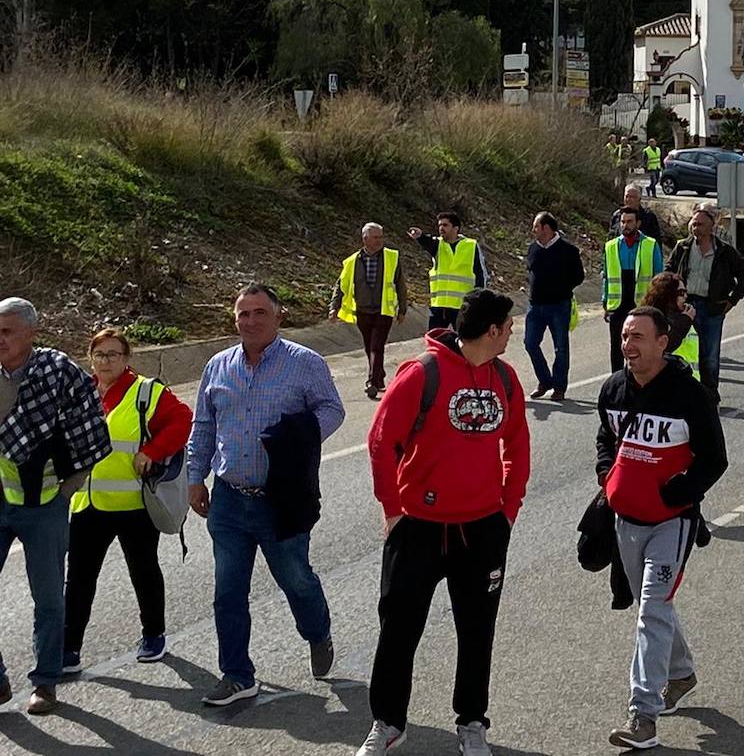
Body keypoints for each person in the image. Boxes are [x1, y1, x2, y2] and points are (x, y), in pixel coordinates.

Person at [357, 289, 530, 756]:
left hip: (482, 530)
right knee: (398, 631)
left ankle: (472, 722)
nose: (512, 331)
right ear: (492, 330)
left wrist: (506, 511)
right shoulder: (423, 373)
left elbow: (517, 449)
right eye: (508, 325)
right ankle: (389, 723)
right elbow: (380, 442)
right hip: (418, 527)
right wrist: (393, 509)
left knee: (477, 632)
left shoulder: (506, 380)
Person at [188, 283, 346, 707]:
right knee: (227, 591)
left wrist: (296, 441)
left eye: (259, 313)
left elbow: (332, 408)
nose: (251, 321)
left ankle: (318, 632)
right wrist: (194, 477)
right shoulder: (218, 366)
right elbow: (203, 425)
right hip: (228, 500)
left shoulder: (304, 363)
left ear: (278, 316)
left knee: (296, 580)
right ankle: (237, 675)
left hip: (282, 499)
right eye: (243, 314)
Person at [596, 307, 727, 750]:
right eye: (625, 336)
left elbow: (714, 459)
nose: (628, 345)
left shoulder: (690, 396)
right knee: (653, 607)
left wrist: (682, 493)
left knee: (651, 610)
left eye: (638, 337)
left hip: (672, 522)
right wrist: (604, 472)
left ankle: (642, 715)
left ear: (662, 342)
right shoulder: (613, 389)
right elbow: (606, 439)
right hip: (625, 520)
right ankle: (682, 672)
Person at [0, 297, 110, 716]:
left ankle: (45, 682)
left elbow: (92, 431)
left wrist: (70, 487)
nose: (0, 339)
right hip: (0, 497)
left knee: (47, 597)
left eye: (8, 331)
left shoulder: (58, 372)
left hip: (45, 503)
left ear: (32, 333)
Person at [63, 328, 193, 675]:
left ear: (126, 359)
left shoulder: (146, 392)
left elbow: (182, 420)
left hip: (134, 504)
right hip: (88, 504)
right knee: (78, 578)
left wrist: (152, 450)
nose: (106, 361)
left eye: (113, 354)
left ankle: (153, 635)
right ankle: (69, 648)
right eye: (100, 354)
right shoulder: (80, 393)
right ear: (90, 357)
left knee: (143, 571)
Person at [666, 208, 744, 404]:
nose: (696, 228)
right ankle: (686, 391)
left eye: (700, 224)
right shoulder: (683, 248)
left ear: (711, 226)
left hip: (712, 308)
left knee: (710, 355)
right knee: (682, 351)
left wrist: (732, 301)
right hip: (686, 308)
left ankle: (710, 396)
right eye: (694, 224)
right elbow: (668, 271)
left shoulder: (724, 251)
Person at [329, 222, 408, 400]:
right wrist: (334, 306)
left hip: (383, 310)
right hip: (362, 311)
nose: (380, 240)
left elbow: (400, 284)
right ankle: (379, 378)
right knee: (369, 346)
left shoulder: (391, 257)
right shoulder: (351, 262)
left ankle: (372, 382)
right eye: (376, 237)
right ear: (365, 239)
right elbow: (340, 286)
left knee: (376, 346)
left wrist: (402, 308)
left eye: (381, 236)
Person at [524, 211, 585, 401]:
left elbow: (578, 277)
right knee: (530, 343)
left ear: (547, 228)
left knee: (561, 347)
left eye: (536, 226)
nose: (533, 230)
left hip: (559, 305)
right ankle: (544, 381)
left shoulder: (568, 251)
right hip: (535, 307)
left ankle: (559, 387)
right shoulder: (532, 248)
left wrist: (561, 288)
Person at [604, 208, 664, 374]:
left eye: (629, 222)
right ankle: (617, 382)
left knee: (641, 347)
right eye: (623, 222)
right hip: (618, 304)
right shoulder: (610, 246)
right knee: (617, 348)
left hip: (641, 305)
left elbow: (658, 276)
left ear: (638, 223)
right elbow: (607, 278)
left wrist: (657, 304)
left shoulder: (650, 245)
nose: (625, 225)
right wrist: (605, 302)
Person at [408, 212, 487, 331]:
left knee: (465, 343)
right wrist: (420, 236)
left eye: (445, 225)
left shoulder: (471, 245)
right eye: (439, 225)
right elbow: (427, 242)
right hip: (439, 307)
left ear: (455, 228)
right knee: (435, 343)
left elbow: (481, 275)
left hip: (462, 306)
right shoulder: (438, 245)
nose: (441, 228)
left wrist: (478, 300)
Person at [643, 273, 700, 379]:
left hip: (688, 381)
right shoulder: (655, 320)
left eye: (685, 292)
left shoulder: (684, 316)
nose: (685, 297)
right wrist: (685, 321)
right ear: (668, 294)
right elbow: (666, 346)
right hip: (668, 381)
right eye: (681, 293)